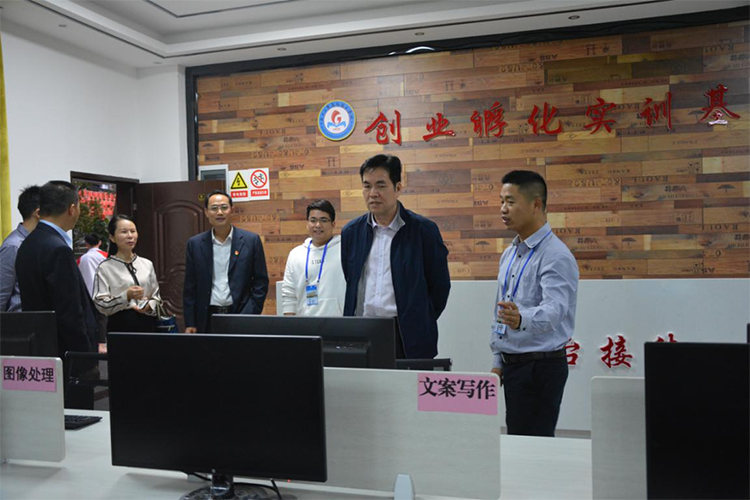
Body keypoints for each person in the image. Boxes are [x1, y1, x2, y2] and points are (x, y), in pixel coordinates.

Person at [490, 170, 579, 437]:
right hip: (513, 364)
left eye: (510, 201)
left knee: (535, 446)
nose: (503, 209)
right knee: (517, 442)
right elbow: (501, 313)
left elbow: (555, 311)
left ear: (536, 204)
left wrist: (522, 319)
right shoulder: (509, 254)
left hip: (541, 367)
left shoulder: (556, 255)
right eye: (501, 201)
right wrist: (498, 361)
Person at [341, 154, 451, 359]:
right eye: (367, 186)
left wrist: (419, 319)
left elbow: (440, 287)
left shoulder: (424, 230)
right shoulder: (351, 232)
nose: (373, 194)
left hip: (408, 335)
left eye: (381, 186)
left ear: (398, 188)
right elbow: (351, 278)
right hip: (362, 333)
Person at [15, 181, 98, 409]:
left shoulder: (28, 243)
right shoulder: (58, 248)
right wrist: (85, 359)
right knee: (76, 416)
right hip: (67, 356)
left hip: (41, 349)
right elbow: (69, 312)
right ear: (72, 208)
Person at [183, 189, 269, 333]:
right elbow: (190, 287)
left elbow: (261, 282)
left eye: (224, 207)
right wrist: (190, 322)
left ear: (232, 210)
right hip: (206, 318)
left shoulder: (251, 241)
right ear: (206, 212)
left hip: (241, 314)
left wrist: (250, 312)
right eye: (214, 208)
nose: (219, 213)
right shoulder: (195, 244)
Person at [93, 215, 162, 333]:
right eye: (124, 232)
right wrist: (126, 296)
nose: (130, 236)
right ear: (112, 237)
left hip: (148, 324)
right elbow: (100, 304)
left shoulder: (147, 264)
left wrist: (149, 305)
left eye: (133, 231)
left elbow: (157, 297)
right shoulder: (105, 267)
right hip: (120, 325)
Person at [281, 199, 346, 316]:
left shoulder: (345, 249)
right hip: (305, 323)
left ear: (333, 224)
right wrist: (290, 322)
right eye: (313, 220)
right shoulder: (295, 254)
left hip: (339, 322)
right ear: (307, 224)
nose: (318, 225)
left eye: (324, 220)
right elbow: (289, 294)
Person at [0, 185, 40, 312]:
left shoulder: (37, 241)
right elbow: (2, 294)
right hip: (19, 322)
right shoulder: (14, 245)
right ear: (38, 213)